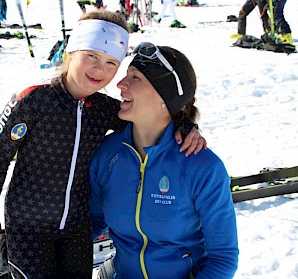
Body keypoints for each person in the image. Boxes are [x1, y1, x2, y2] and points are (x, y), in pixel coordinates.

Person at [0, 11, 206, 278]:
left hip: (77, 229)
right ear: (72, 51)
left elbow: (151, 118)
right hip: (28, 226)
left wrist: (185, 125)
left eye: (111, 62)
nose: (99, 69)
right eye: (91, 56)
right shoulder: (33, 101)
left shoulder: (104, 110)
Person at [89, 42, 239, 278]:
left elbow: (223, 259)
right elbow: (94, 221)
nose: (120, 84)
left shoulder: (201, 167)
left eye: (135, 78)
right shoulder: (108, 154)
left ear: (164, 96)